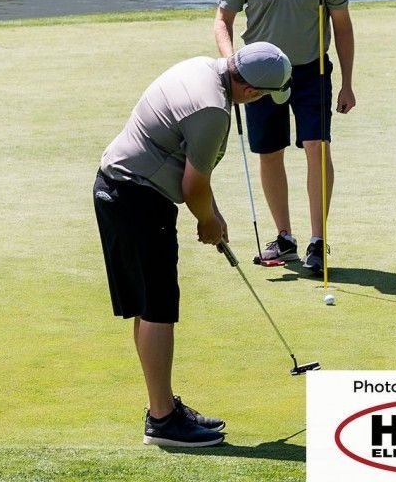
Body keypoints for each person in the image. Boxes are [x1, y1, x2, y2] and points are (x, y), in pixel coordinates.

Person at [93, 41, 292, 447]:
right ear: (251, 91)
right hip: (136, 197)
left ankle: (161, 405)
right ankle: (163, 422)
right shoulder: (214, 111)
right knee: (158, 309)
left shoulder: (203, 68)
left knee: (150, 307)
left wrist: (212, 216)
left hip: (122, 188)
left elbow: (190, 169)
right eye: (267, 96)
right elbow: (192, 185)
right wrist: (207, 222)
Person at [214, 0, 356, 274]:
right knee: (270, 152)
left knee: (317, 146)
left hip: (312, 72)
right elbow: (223, 18)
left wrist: (347, 82)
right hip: (258, 75)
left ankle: (318, 241)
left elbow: (342, 26)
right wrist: (231, 63)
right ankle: (285, 237)